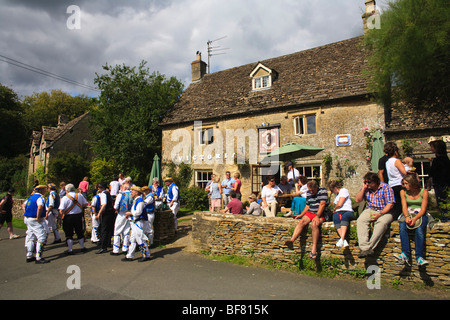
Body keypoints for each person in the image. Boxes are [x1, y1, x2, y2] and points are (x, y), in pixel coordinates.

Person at [284, 180, 328, 260]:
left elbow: (322, 204)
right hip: (311, 212)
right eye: (309, 190)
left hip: (321, 213)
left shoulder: (323, 191)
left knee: (314, 224)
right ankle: (292, 240)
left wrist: (317, 216)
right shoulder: (308, 192)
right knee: (302, 222)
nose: (311, 192)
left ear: (316, 187)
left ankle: (314, 249)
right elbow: (307, 205)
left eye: (312, 190)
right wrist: (301, 215)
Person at [355, 172, 395, 258]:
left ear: (375, 182)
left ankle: (368, 248)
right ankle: (364, 248)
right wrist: (363, 188)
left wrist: (380, 214)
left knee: (381, 223)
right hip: (371, 209)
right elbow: (358, 200)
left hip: (385, 211)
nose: (367, 184)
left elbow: (390, 204)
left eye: (369, 182)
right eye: (365, 182)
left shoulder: (386, 188)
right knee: (360, 221)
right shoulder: (366, 188)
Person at [395, 174, 430, 266]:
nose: (404, 186)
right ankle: (405, 253)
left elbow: (423, 209)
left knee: (419, 229)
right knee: (402, 226)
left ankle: (419, 257)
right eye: (403, 184)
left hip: (419, 214)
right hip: (408, 213)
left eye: (406, 183)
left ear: (412, 183)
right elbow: (404, 206)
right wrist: (407, 216)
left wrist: (415, 218)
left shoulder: (424, 192)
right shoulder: (403, 192)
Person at [122, 186, 151, 262]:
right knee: (133, 240)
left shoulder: (140, 201)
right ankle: (129, 256)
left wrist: (130, 213)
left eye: (132, 191)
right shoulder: (136, 200)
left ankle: (146, 255)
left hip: (139, 222)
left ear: (136, 192)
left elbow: (138, 212)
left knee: (140, 239)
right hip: (135, 222)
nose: (131, 192)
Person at [59, 183, 89, 255]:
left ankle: (70, 249)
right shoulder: (80, 195)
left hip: (68, 217)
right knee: (79, 231)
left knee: (69, 233)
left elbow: (61, 210)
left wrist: (60, 218)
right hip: (78, 216)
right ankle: (82, 247)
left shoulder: (65, 198)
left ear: (67, 190)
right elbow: (86, 204)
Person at [23, 185, 49, 263]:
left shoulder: (31, 197)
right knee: (41, 237)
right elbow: (40, 207)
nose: (45, 191)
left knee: (31, 237)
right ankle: (39, 257)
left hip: (28, 218)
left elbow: (23, 205)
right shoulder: (40, 198)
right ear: (41, 190)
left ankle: (29, 255)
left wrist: (26, 213)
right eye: (44, 189)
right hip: (35, 219)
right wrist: (38, 217)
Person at [327, 180, 355, 248]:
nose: (333, 192)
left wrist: (334, 208)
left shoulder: (343, 191)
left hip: (347, 211)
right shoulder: (336, 195)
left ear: (335, 187)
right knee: (335, 218)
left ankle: (342, 238)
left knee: (344, 217)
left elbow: (339, 204)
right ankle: (344, 240)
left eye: (332, 190)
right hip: (339, 212)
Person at [428, 139, 450, 220]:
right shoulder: (445, 158)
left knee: (441, 202)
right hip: (445, 183)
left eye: (432, 147)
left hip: (440, 184)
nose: (431, 149)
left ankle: (445, 218)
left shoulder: (437, 160)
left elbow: (431, 173)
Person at [384, 142, 407, 219]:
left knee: (396, 203)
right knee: (402, 202)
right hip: (399, 183)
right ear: (395, 152)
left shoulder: (387, 162)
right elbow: (404, 172)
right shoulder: (396, 161)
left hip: (391, 184)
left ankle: (395, 217)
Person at [94, 182, 116, 254]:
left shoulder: (103, 194)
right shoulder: (108, 193)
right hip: (111, 212)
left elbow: (104, 205)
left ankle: (103, 247)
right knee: (109, 229)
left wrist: (99, 214)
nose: (98, 189)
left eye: (99, 187)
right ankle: (108, 243)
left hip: (106, 213)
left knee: (103, 229)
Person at [111, 184, 132, 255]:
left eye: (122, 187)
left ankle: (116, 250)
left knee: (117, 231)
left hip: (121, 214)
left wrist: (116, 209)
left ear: (124, 187)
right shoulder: (132, 194)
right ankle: (125, 248)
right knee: (126, 231)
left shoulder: (121, 194)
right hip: (129, 214)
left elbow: (116, 205)